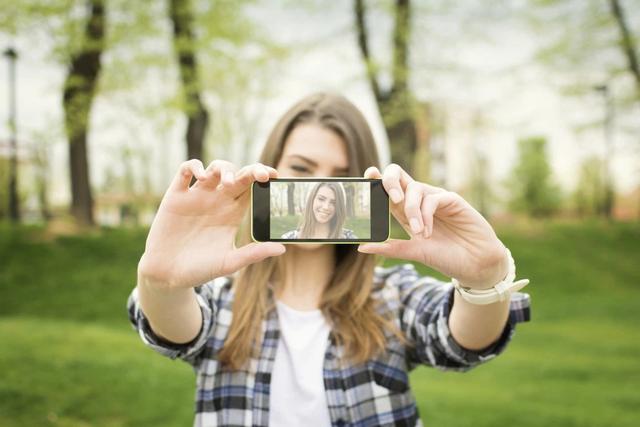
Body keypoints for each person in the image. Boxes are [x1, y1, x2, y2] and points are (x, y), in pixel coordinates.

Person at [127, 93, 531, 427]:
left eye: (340, 175)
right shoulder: (219, 298)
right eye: (301, 168)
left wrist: (485, 281)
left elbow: (464, 341)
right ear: (270, 169)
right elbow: (172, 324)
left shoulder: (393, 297)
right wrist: (161, 282)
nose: (320, 190)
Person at [280, 182, 357, 239]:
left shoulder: (350, 239)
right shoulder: (288, 238)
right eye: (321, 199)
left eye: (333, 203)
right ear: (312, 200)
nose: (326, 207)